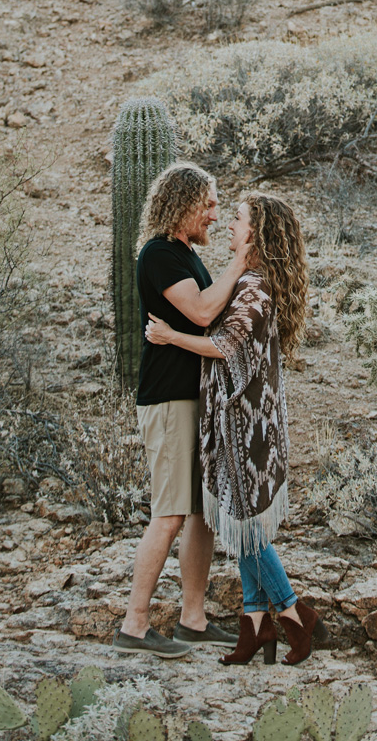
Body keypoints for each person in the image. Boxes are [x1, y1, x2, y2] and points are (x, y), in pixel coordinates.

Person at [145, 191, 325, 665]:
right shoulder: (250, 280)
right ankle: (254, 624)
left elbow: (224, 346)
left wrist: (168, 337)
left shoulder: (255, 287)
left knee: (245, 524)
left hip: (245, 426)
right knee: (240, 523)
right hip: (236, 421)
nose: (228, 224)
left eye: (239, 220)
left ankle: (291, 611)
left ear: (256, 233)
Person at [113, 162, 249, 660]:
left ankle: (193, 620)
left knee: (201, 515)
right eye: (209, 204)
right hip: (169, 400)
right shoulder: (159, 255)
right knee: (169, 514)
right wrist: (239, 261)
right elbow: (203, 312)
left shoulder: (187, 253)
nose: (215, 213)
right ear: (184, 204)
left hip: (195, 400)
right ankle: (134, 626)